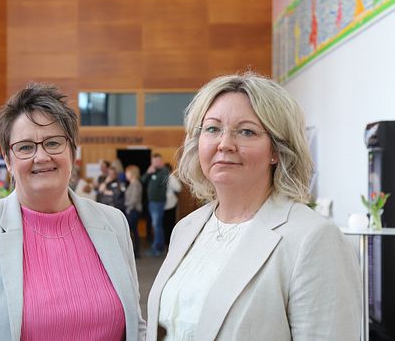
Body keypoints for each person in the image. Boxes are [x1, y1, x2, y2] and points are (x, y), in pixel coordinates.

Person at [146, 72, 362, 340]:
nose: (225, 144)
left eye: (246, 131)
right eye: (213, 128)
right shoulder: (187, 228)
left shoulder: (313, 238)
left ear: (276, 150)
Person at [0, 83, 146, 340]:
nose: (41, 156)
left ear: (73, 151)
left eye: (53, 143)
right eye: (25, 147)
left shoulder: (113, 222)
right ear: (8, 160)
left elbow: (136, 324)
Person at [142, 153, 169, 256]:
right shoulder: (152, 172)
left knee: (156, 226)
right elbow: (142, 181)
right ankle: (160, 247)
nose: (155, 163)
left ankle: (157, 248)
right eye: (153, 161)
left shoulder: (164, 172)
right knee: (157, 225)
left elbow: (163, 187)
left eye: (157, 161)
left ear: (161, 161)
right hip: (152, 203)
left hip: (158, 203)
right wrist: (148, 173)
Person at [124, 164, 144, 258]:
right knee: (134, 231)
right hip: (132, 209)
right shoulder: (132, 183)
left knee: (131, 231)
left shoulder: (136, 184)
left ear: (132, 173)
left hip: (133, 210)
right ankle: (135, 251)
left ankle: (135, 252)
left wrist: (128, 208)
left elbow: (134, 199)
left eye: (127, 172)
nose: (125, 174)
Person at [163, 163, 182, 246]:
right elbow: (178, 188)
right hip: (168, 203)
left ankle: (168, 241)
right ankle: (168, 241)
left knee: (168, 223)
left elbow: (178, 188)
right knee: (168, 223)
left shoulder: (170, 177)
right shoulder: (170, 177)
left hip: (169, 204)